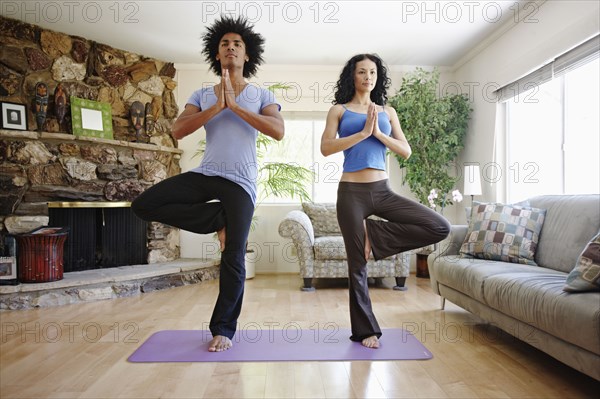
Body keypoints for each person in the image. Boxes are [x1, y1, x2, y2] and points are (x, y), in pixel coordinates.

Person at [131, 15, 284, 352]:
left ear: (246, 56)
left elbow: (277, 130)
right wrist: (218, 105)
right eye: (225, 44)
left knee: (233, 256)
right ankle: (217, 220)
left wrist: (236, 106)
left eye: (237, 44)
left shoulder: (260, 93)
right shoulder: (202, 94)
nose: (231, 47)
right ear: (217, 55)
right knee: (143, 205)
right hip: (207, 173)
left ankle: (223, 330)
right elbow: (178, 130)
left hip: (241, 183)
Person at [320, 54, 450, 349]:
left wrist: (378, 132)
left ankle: (374, 235)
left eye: (373, 72)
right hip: (351, 193)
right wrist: (362, 133)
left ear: (378, 77)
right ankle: (366, 330)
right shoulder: (339, 110)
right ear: (352, 77)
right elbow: (326, 147)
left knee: (439, 226)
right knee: (357, 266)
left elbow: (405, 150)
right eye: (362, 72)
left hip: (383, 191)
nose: (368, 76)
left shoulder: (387, 111)